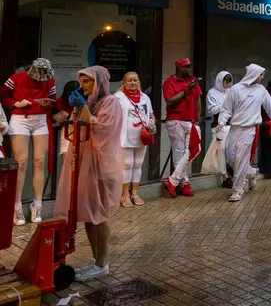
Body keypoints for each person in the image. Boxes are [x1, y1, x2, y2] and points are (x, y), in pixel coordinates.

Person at [54, 66, 122, 282]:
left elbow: (102, 130)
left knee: (99, 215)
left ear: (99, 82)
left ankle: (102, 263)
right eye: (81, 81)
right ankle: (96, 260)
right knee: (88, 215)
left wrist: (83, 108)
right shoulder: (89, 102)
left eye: (87, 82)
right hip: (85, 162)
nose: (82, 86)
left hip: (101, 165)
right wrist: (76, 109)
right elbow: (76, 128)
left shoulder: (111, 102)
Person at [1, 58, 56, 226]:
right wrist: (16, 103)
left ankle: (37, 204)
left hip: (40, 119)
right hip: (20, 118)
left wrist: (47, 104)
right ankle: (16, 206)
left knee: (39, 161)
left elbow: (53, 99)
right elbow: (3, 95)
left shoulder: (49, 79)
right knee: (21, 162)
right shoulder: (17, 78)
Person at [218, 64, 271, 202]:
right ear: (253, 74)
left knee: (241, 160)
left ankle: (237, 190)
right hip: (234, 128)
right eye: (260, 75)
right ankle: (252, 173)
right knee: (231, 159)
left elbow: (270, 107)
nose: (262, 78)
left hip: (250, 129)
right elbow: (226, 108)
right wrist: (221, 122)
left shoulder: (261, 90)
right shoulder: (235, 89)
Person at [161, 58, 203, 198]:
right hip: (175, 120)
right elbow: (170, 101)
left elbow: (198, 99)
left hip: (191, 121)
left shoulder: (192, 80)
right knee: (179, 152)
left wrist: (198, 118)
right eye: (187, 67)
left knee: (194, 149)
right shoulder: (169, 82)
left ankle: (172, 181)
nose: (190, 69)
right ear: (179, 68)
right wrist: (186, 89)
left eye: (190, 66)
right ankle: (185, 184)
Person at [114, 72, 155, 207]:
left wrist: (152, 123)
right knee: (127, 164)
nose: (133, 83)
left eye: (135, 80)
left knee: (138, 164)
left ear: (139, 82)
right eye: (129, 80)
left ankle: (135, 193)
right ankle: (124, 194)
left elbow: (151, 115)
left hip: (142, 137)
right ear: (124, 82)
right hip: (125, 136)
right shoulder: (118, 97)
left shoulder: (145, 98)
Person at [205, 71, 234, 187]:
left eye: (228, 82)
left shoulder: (230, 92)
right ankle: (225, 176)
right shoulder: (212, 93)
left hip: (230, 124)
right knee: (220, 151)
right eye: (225, 81)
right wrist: (224, 105)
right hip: (218, 125)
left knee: (231, 150)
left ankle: (232, 170)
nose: (226, 84)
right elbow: (211, 110)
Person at [53, 81, 80, 158]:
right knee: (66, 155)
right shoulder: (59, 102)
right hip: (67, 129)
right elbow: (52, 118)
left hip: (82, 129)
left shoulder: (85, 101)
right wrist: (55, 117)